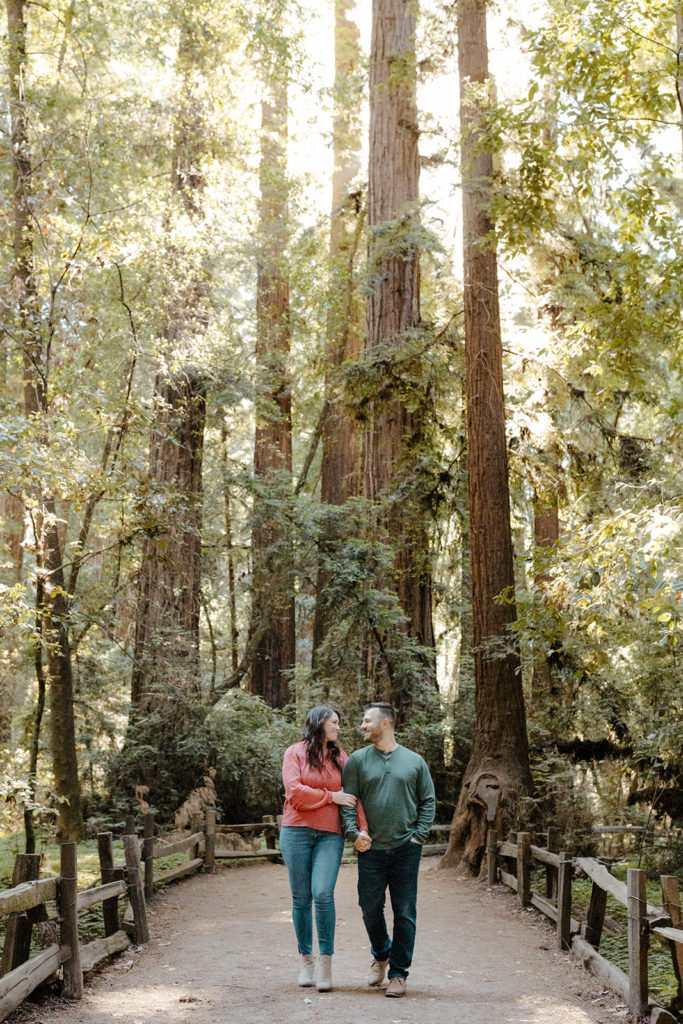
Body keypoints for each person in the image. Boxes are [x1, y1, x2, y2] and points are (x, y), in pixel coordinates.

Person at [340, 702, 435, 999]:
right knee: (369, 908)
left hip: (406, 848)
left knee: (405, 912)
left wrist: (418, 836)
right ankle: (381, 953)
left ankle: (398, 974)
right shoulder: (356, 760)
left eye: (367, 720)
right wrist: (354, 834)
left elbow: (428, 801)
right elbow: (348, 802)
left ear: (386, 723)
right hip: (370, 849)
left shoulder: (415, 761)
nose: (362, 725)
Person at [280, 705, 366, 992]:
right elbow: (294, 793)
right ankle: (306, 961)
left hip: (330, 834)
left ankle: (325, 964)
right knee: (301, 898)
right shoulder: (294, 753)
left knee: (323, 894)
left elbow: (354, 797)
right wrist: (332, 796)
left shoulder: (342, 758)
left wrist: (361, 829)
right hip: (296, 832)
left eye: (339, 723)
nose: (338, 727)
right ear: (319, 723)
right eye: (334, 722)